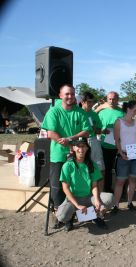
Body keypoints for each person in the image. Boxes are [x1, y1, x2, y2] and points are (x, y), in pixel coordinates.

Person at [41, 84, 91, 222]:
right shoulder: (53, 111)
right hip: (58, 155)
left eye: (72, 94)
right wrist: (69, 145)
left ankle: (77, 214)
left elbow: (86, 131)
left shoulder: (80, 112)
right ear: (60, 95)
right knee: (57, 187)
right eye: (67, 94)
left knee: (77, 185)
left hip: (77, 156)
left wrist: (71, 140)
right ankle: (61, 216)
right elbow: (51, 133)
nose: (70, 96)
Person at [56, 137, 114, 231]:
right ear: (73, 148)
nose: (81, 149)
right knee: (62, 215)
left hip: (88, 197)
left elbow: (94, 185)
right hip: (73, 199)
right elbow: (65, 188)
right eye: (78, 146)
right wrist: (77, 205)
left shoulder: (92, 164)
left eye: (83, 146)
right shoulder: (68, 165)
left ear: (87, 148)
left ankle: (94, 216)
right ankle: (70, 218)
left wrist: (97, 199)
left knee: (109, 198)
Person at [112, 101, 136, 213]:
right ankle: (116, 205)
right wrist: (120, 153)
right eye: (135, 110)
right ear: (128, 109)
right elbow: (116, 140)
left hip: (135, 154)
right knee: (120, 181)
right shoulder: (119, 122)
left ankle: (129, 203)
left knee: (133, 179)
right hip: (123, 154)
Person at [96, 92, 124, 193]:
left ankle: (121, 191)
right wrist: (103, 130)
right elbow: (97, 127)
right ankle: (107, 190)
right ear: (107, 99)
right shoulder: (102, 112)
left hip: (119, 147)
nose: (112, 101)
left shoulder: (122, 113)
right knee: (107, 170)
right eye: (110, 99)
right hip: (105, 146)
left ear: (118, 99)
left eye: (114, 99)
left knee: (120, 171)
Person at [80, 92, 105, 180]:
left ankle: (100, 192)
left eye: (92, 102)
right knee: (83, 167)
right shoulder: (77, 112)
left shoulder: (94, 114)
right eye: (88, 102)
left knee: (100, 167)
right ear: (82, 102)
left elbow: (99, 131)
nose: (91, 104)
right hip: (80, 141)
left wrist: (94, 128)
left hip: (93, 140)